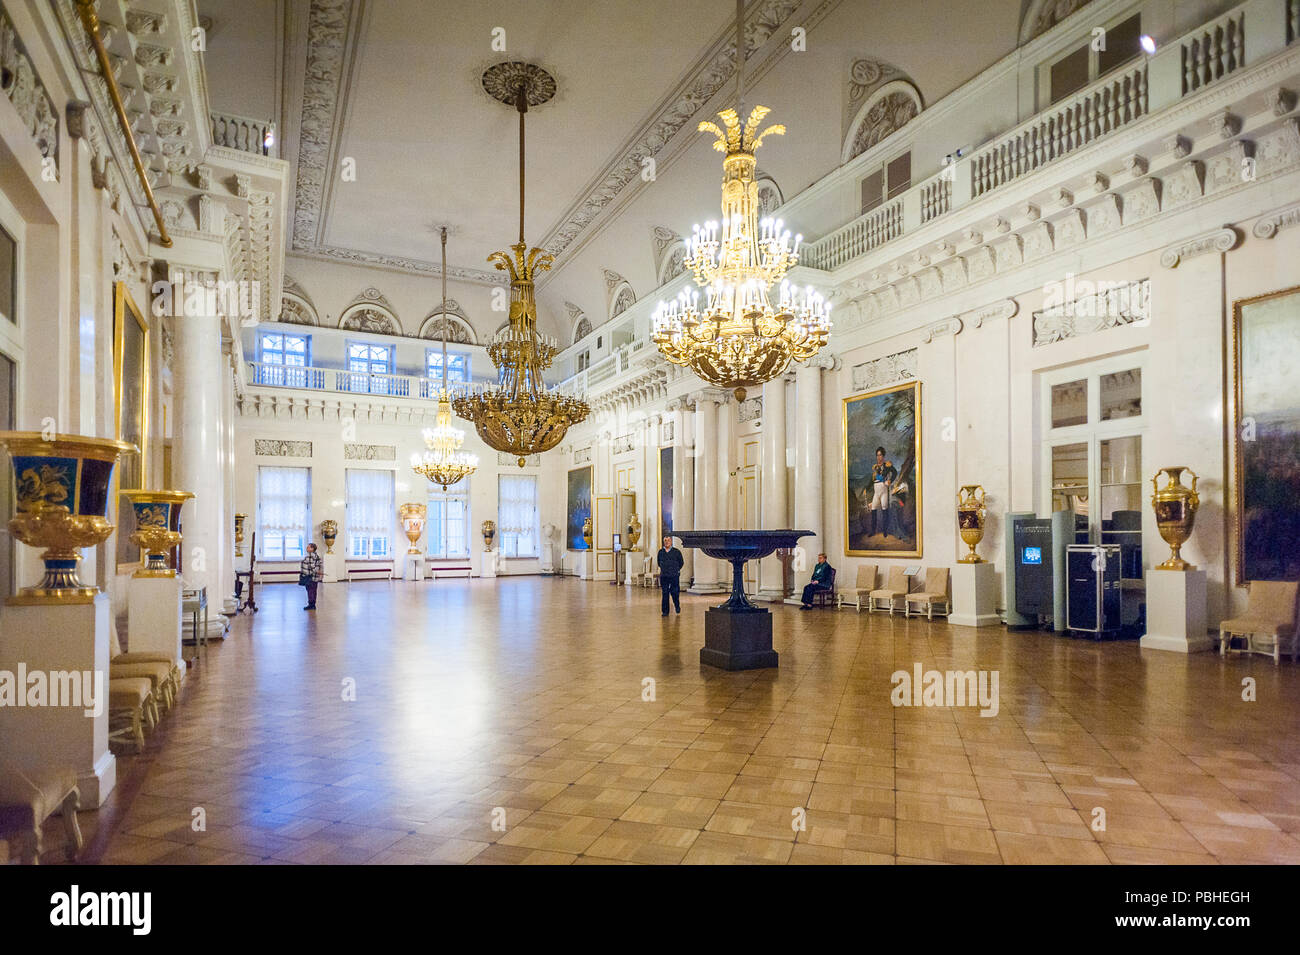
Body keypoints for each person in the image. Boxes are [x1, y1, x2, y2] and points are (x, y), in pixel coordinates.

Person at [869, 446, 897, 539]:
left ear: (883, 456)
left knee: (885, 509)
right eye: (877, 455)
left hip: (884, 490)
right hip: (876, 491)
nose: (879, 457)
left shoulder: (887, 465)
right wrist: (867, 488)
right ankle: (873, 531)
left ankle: (885, 531)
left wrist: (890, 481)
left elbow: (895, 472)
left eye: (880, 455)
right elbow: (872, 480)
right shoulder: (875, 467)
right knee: (873, 509)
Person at [656, 535, 684, 616]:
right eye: (665, 540)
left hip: (674, 575)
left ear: (671, 541)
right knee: (665, 593)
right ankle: (665, 611)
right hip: (664, 576)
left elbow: (681, 562)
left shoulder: (676, 551)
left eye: (668, 540)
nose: (666, 542)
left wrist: (675, 569)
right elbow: (659, 563)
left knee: (675, 592)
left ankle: (677, 606)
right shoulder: (660, 552)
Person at [301, 542, 323, 610]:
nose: (307, 548)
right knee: (313, 591)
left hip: (310, 577)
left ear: (312, 549)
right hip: (314, 577)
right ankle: (313, 605)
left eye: (308, 547)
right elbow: (320, 566)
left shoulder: (310, 556)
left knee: (310, 591)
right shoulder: (316, 555)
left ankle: (311, 605)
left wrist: (314, 572)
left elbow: (312, 567)